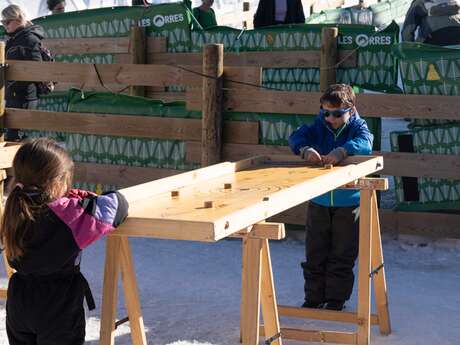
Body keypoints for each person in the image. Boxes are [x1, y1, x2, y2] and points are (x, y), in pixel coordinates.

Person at [0, 138, 129, 345]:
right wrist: (76, 196)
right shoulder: (68, 213)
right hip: (58, 303)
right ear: (57, 182)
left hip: (19, 299)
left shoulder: (14, 208)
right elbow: (116, 205)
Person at [288, 84, 373, 311]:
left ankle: (336, 299)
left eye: (337, 114)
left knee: (342, 254)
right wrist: (304, 149)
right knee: (315, 252)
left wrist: (343, 151)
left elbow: (366, 143)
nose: (330, 119)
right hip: (319, 200)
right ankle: (313, 297)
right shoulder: (318, 126)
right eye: (326, 113)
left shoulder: (358, 127)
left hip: (349, 202)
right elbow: (296, 136)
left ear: (351, 110)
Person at [2, 5, 45, 140]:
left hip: (23, 96)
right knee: (13, 137)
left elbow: (38, 69)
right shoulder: (15, 38)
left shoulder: (29, 39)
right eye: (2, 22)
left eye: (7, 21)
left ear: (18, 19)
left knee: (16, 138)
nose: (4, 25)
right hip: (13, 95)